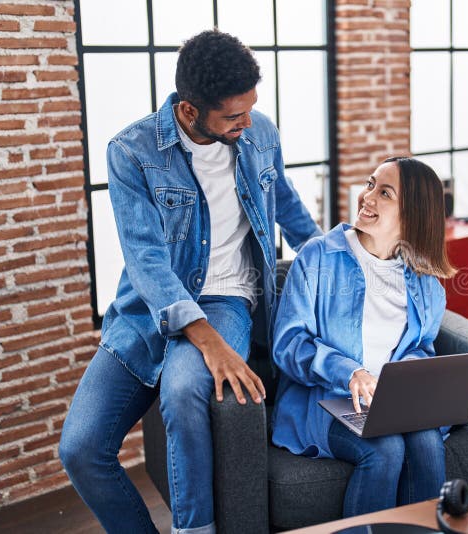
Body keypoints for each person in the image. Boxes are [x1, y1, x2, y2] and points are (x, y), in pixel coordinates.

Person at [59, 30, 320, 534]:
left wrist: (336, 261)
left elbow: (286, 206)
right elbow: (147, 261)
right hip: (145, 311)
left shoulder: (259, 133)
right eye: (233, 116)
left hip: (227, 297)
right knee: (81, 449)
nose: (247, 123)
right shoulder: (131, 152)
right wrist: (210, 344)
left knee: (183, 390)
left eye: (251, 109)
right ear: (188, 111)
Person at [271, 157, 456, 517]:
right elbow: (289, 343)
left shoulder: (424, 283)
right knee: (385, 449)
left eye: (384, 193)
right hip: (327, 401)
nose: (367, 197)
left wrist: (406, 378)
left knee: (428, 442)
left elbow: (420, 348)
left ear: (412, 215)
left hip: (392, 403)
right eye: (370, 184)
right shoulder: (318, 257)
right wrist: (349, 372)